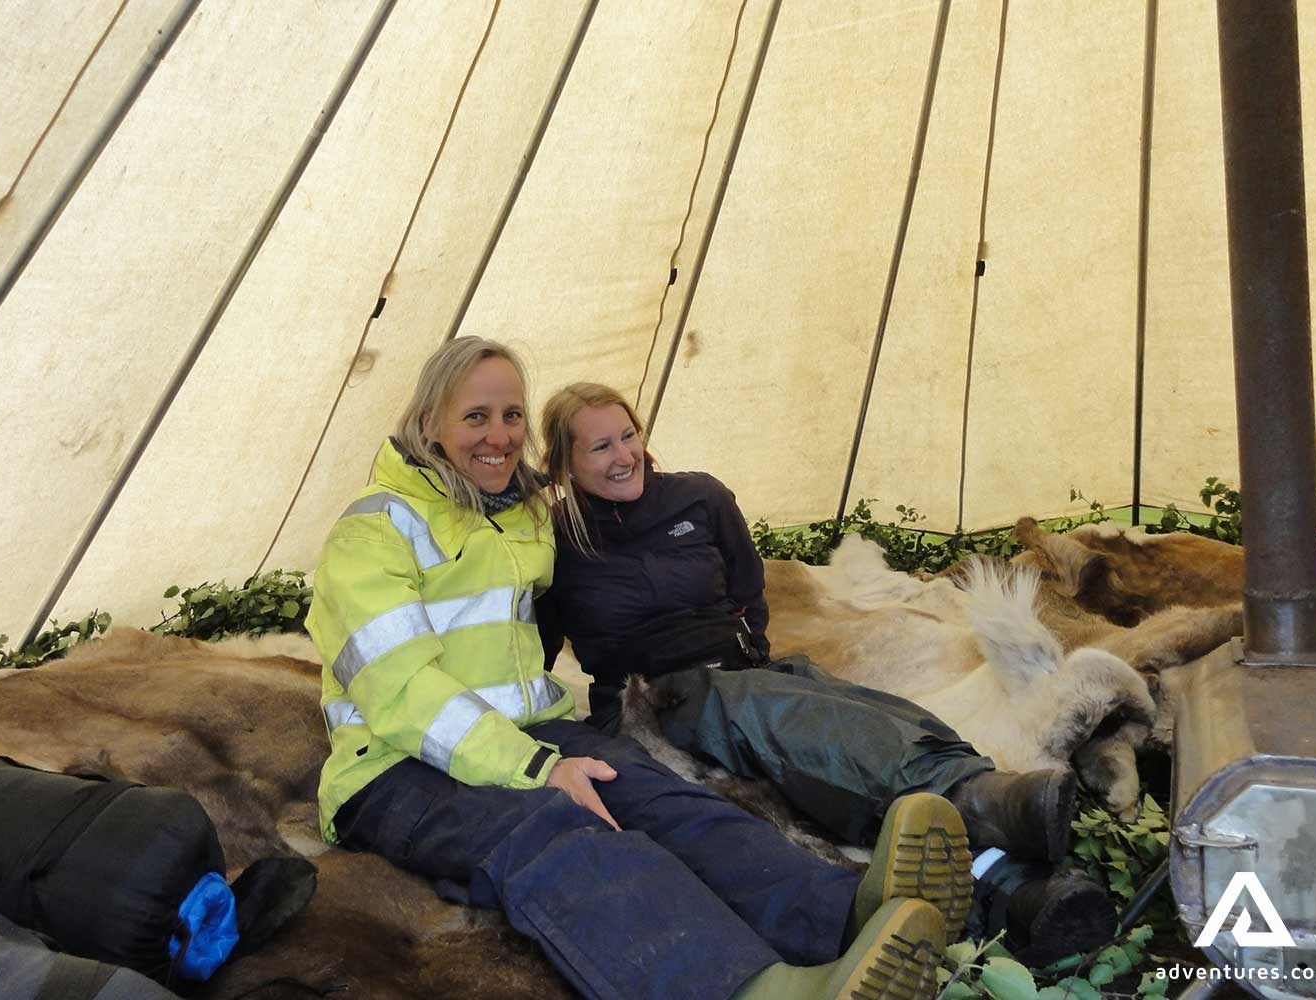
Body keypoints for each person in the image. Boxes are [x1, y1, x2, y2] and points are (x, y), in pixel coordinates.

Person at [305, 338, 956, 1000]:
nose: (499, 436)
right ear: (428, 423)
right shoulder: (373, 532)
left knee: (659, 796)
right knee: (559, 831)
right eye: (476, 416)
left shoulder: (520, 518)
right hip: (394, 767)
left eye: (511, 415)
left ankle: (846, 914)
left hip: (528, 730)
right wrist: (536, 769)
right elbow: (402, 691)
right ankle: (759, 990)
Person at [536, 381, 1118, 964]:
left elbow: (747, 589)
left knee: (859, 717)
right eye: (600, 447)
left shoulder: (699, 499)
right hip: (648, 703)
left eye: (628, 436)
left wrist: (751, 651)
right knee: (789, 723)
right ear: (564, 463)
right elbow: (528, 645)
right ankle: (972, 798)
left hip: (738, 672)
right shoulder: (551, 538)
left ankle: (1014, 889)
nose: (624, 456)